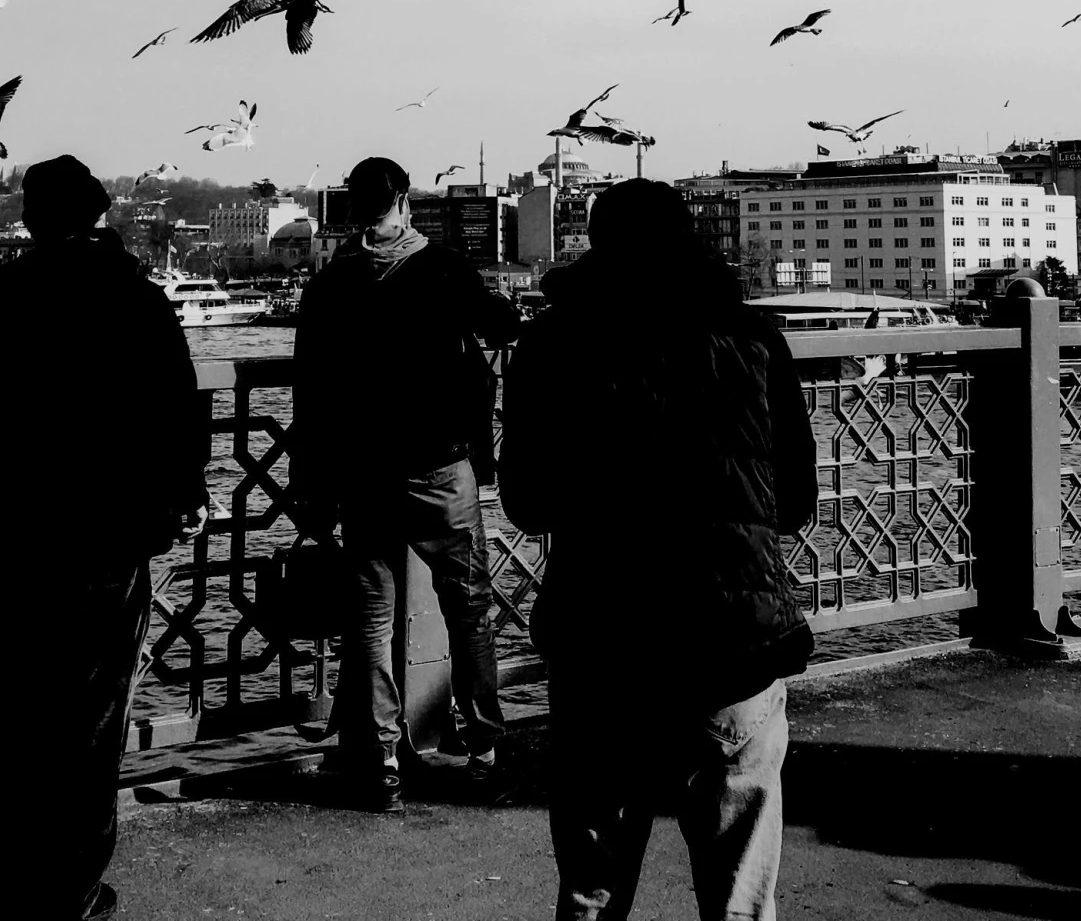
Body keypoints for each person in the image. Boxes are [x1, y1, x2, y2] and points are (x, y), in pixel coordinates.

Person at [0, 155, 206, 921]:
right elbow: (179, 415)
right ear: (99, 215)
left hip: (17, 531)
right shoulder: (139, 301)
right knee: (91, 718)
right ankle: (73, 884)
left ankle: (22, 869)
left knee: (19, 712)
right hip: (107, 534)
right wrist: (183, 495)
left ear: (30, 220)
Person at [500, 178, 817, 921]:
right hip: (731, 642)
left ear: (594, 242)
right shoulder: (754, 338)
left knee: (594, 887)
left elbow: (528, 503)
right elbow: (794, 502)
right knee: (739, 892)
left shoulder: (550, 342)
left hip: (603, 641)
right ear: (688, 238)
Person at [290, 155, 521, 811]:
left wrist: (308, 476)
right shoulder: (443, 268)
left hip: (362, 470)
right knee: (468, 606)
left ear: (352, 208)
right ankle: (484, 751)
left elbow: (311, 390)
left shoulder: (331, 284)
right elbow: (501, 325)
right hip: (439, 464)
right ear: (406, 202)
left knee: (369, 615)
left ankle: (384, 758)